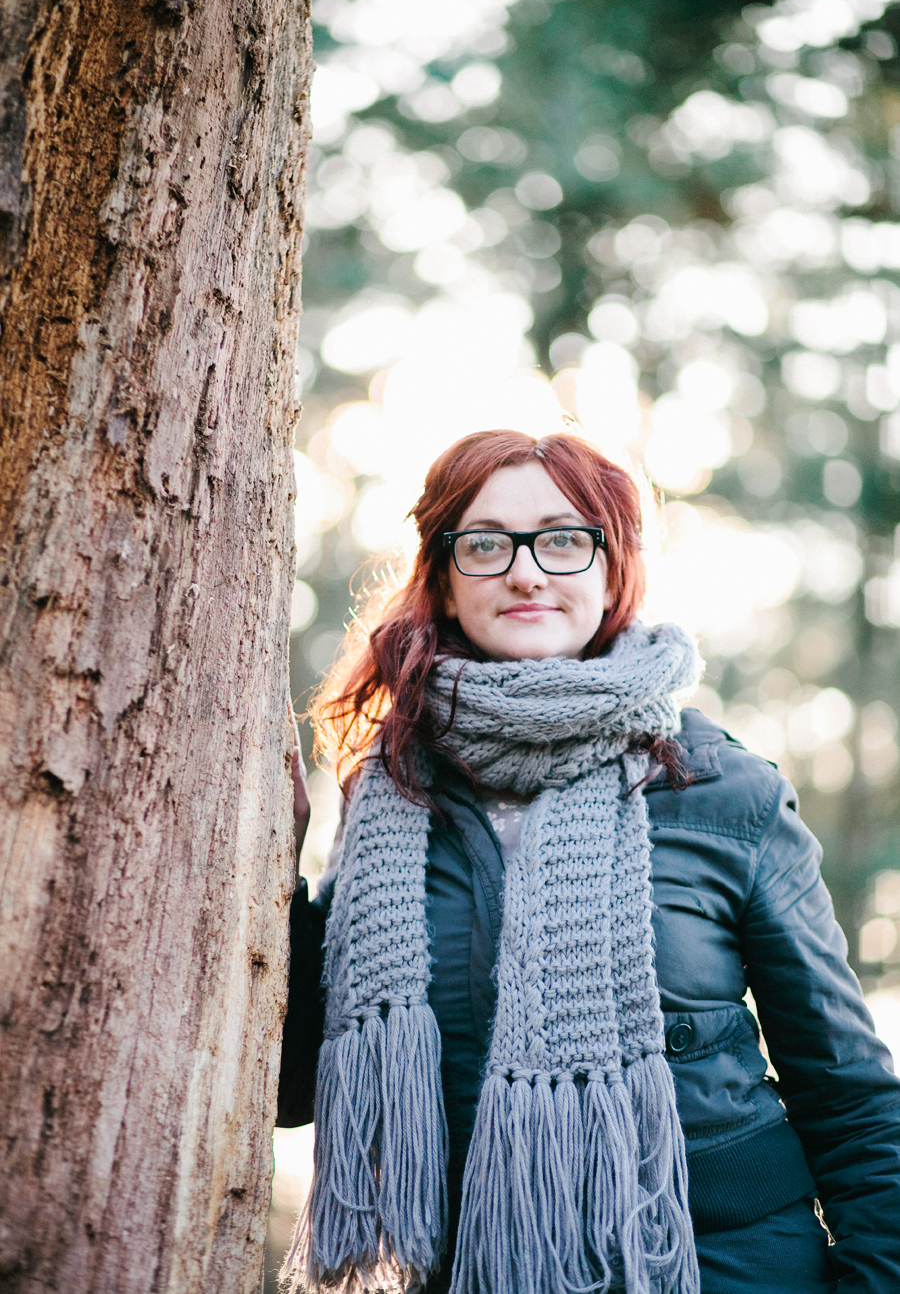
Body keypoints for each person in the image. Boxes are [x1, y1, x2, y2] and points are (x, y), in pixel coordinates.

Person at [278, 429, 900, 1294]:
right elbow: (293, 1091)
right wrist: (276, 886)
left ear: (613, 574)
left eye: (564, 540)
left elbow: (849, 1097)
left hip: (726, 1267)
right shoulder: (391, 799)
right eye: (486, 544)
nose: (527, 573)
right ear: (446, 581)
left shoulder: (729, 794)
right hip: (478, 1270)